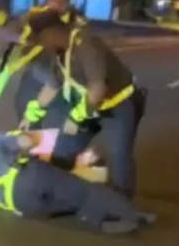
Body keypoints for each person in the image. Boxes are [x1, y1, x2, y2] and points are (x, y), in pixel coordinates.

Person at [21, 11, 145, 198]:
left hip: (118, 106)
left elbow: (98, 87)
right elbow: (54, 84)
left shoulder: (85, 44)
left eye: (40, 40)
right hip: (90, 107)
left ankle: (123, 206)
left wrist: (76, 117)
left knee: (119, 157)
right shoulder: (59, 52)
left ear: (51, 34)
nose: (41, 46)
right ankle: (61, 192)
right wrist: (32, 112)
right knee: (63, 151)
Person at [0, 131, 154, 235]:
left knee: (73, 202)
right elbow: (28, 142)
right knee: (86, 191)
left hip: (25, 206)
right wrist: (23, 136)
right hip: (32, 179)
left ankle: (97, 220)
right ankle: (132, 215)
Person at [0, 0, 86, 135]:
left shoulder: (76, 23)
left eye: (61, 1)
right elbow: (15, 29)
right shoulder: (35, 15)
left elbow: (81, 48)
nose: (55, 5)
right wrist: (9, 30)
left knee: (54, 125)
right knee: (25, 115)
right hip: (34, 74)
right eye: (53, 0)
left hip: (59, 80)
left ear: (68, 3)